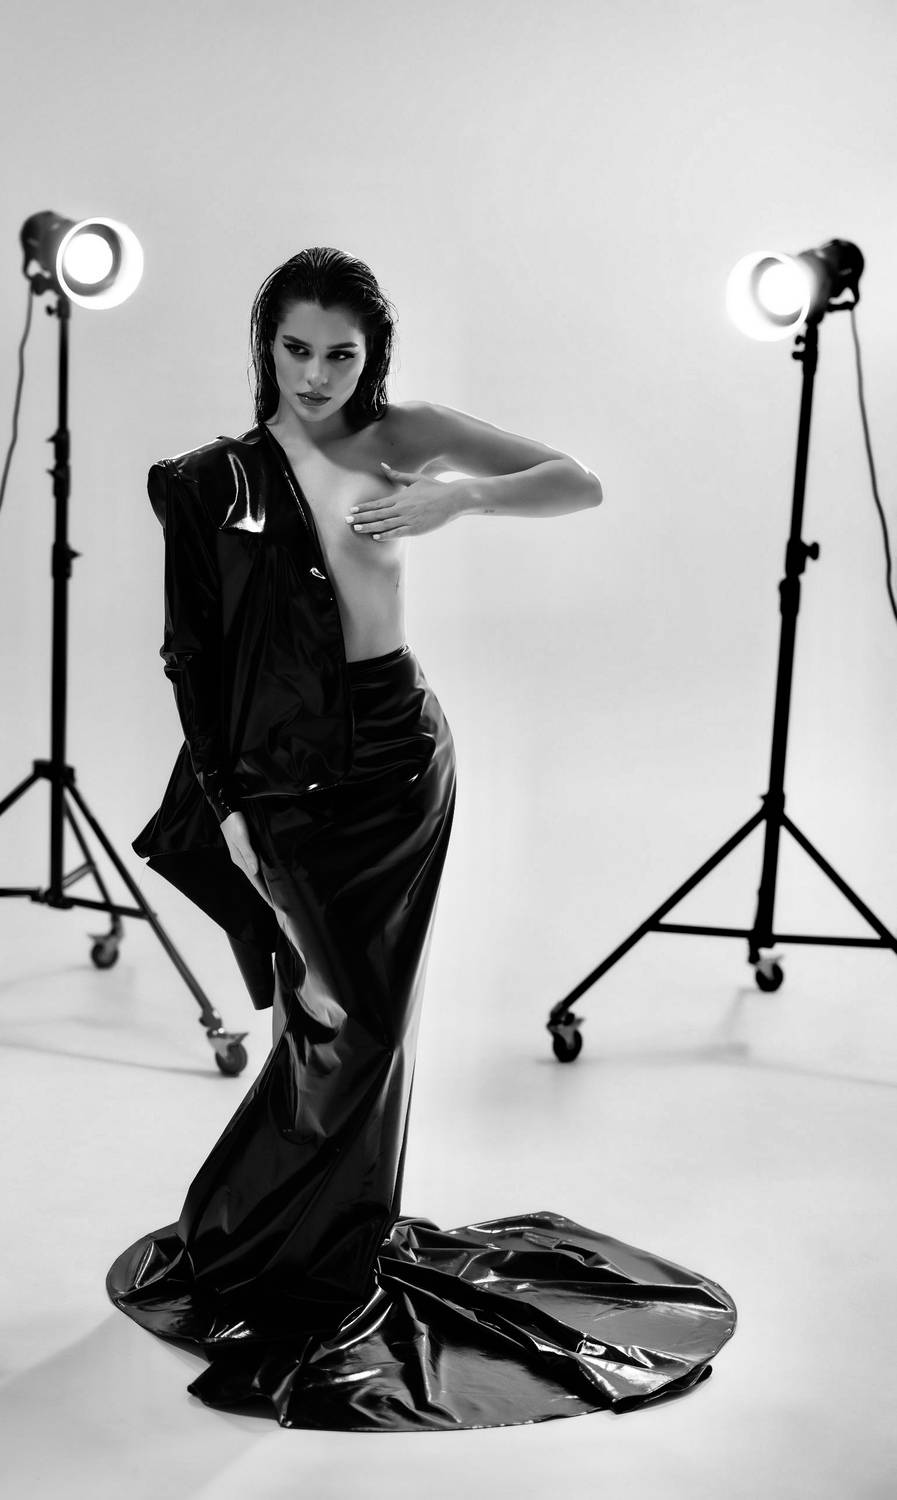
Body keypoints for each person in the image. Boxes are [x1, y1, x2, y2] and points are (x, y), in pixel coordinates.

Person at [106, 247, 736, 1432]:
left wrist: (462, 497)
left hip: (401, 765)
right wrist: (228, 810)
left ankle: (311, 1250)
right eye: (295, 349)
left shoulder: (404, 437)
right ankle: (250, 1242)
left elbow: (577, 481)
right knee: (328, 1021)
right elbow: (192, 657)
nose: (315, 375)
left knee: (368, 1026)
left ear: (371, 355)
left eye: (339, 353)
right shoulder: (208, 482)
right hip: (284, 782)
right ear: (265, 347)